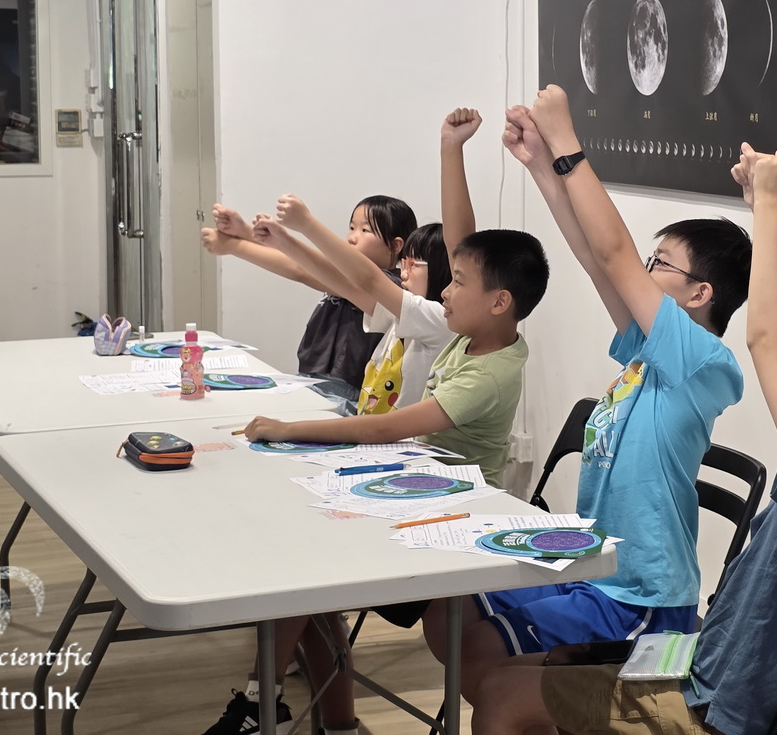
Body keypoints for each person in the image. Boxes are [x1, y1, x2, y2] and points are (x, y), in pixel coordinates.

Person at [470, 142, 777, 735]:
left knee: (502, 695)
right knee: (503, 672)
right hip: (715, 665)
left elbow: (767, 341)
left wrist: (768, 205)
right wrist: (774, 232)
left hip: (720, 705)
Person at [202, 109, 550, 735]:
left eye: (450, 279)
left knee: (305, 572)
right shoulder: (462, 330)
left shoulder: (477, 357)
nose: (437, 287)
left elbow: (389, 426)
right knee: (303, 568)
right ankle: (304, 712)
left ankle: (263, 703)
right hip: (410, 486)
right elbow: (356, 271)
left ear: (494, 300)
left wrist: (289, 429)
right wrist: (450, 149)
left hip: (451, 518)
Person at [423, 85, 753, 704]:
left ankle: (521, 704)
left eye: (661, 264)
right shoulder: (648, 350)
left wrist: (568, 143)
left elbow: (613, 251)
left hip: (642, 594)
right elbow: (596, 260)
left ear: (700, 294)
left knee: (488, 663)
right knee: (449, 611)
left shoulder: (703, 362)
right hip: (591, 563)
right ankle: (524, 705)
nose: (643, 271)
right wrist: (542, 168)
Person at [200, 194, 416, 394]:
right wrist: (245, 233)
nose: (352, 237)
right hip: (313, 379)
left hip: (347, 393)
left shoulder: (391, 288)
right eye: (352, 227)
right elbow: (303, 262)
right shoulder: (343, 274)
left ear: (396, 245)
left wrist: (233, 245)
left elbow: (300, 269)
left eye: (365, 230)